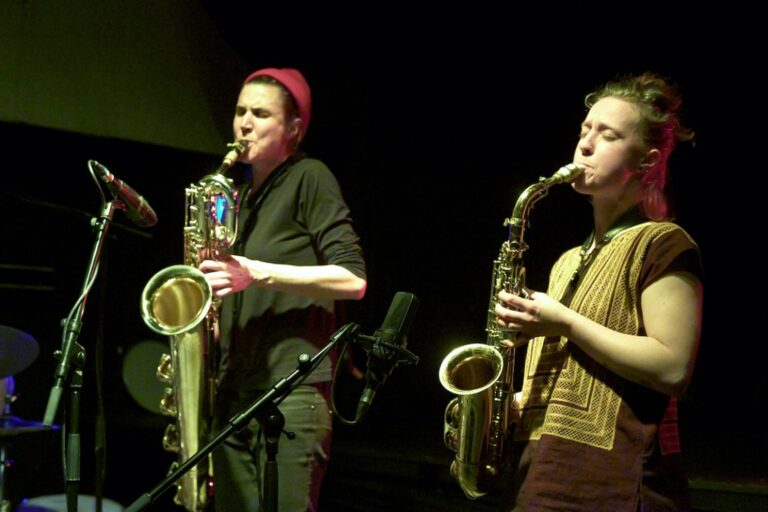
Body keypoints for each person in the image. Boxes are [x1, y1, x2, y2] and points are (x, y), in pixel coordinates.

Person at [494, 73, 702, 511]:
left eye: (606, 135)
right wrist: (509, 406)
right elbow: (573, 375)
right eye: (584, 131)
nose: (585, 145)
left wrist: (564, 321)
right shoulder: (567, 261)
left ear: (645, 161)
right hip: (540, 479)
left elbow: (672, 367)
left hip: (611, 488)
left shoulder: (664, 244)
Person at [199, 67, 367, 511]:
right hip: (233, 394)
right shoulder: (238, 198)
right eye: (239, 111)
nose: (244, 123)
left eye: (259, 113)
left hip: (291, 393)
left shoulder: (309, 176)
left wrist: (254, 272)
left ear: (293, 129)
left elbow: (354, 280)